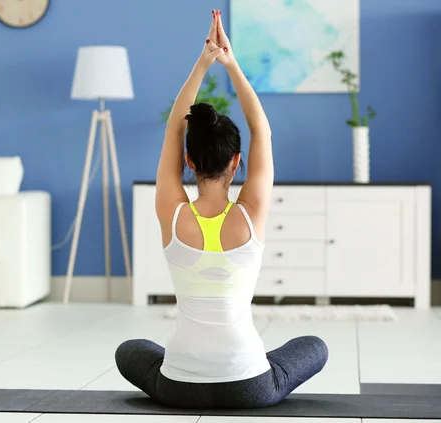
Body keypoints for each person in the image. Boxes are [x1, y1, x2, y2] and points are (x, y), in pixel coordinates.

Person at [116, 10, 328, 409]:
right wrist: (229, 63)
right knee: (313, 346)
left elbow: (174, 128)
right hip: (248, 386)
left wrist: (203, 62)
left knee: (130, 350)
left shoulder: (173, 212)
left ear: (189, 162)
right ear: (237, 162)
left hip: (177, 385)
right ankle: (244, 365)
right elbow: (260, 127)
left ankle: (198, 367)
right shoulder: (251, 212)